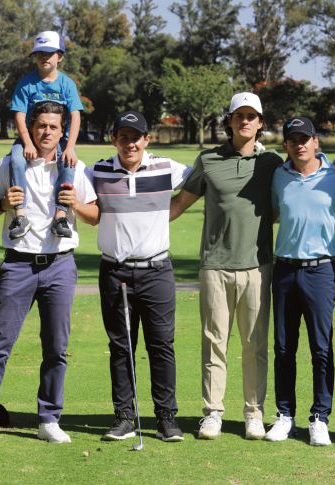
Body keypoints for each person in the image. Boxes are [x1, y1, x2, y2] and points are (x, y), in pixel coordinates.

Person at [0, 100, 97, 449]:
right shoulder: (11, 163)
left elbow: (95, 214)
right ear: (31, 129)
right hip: (18, 264)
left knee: (56, 348)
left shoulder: (74, 167)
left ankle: (49, 419)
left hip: (60, 265)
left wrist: (76, 204)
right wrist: (4, 205)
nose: (47, 131)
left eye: (53, 126)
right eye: (41, 126)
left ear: (63, 129)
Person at [169, 92, 283, 440]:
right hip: (215, 266)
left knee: (254, 344)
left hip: (257, 266)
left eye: (251, 116)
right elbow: (179, 204)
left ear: (260, 123)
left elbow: (305, 172)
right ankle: (213, 413)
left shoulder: (273, 164)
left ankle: (253, 413)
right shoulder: (208, 161)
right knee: (214, 342)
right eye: (239, 116)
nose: (245, 121)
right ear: (230, 121)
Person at [82, 110, 192, 443]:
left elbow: (201, 179)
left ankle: (166, 417)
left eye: (136, 137)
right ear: (114, 138)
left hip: (157, 270)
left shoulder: (167, 168)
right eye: (123, 136)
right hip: (115, 271)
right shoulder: (97, 171)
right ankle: (125, 417)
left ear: (147, 139)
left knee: (161, 346)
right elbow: (88, 211)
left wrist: (172, 210)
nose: (130, 143)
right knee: (121, 347)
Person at [264, 116, 335, 446]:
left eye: (305, 138)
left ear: (316, 142)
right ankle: (284, 415)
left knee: (321, 347)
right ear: (286, 145)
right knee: (284, 347)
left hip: (321, 271)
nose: (299, 144)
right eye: (293, 139)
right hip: (285, 271)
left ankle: (320, 416)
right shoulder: (279, 177)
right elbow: (272, 212)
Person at [8, 30, 84, 241]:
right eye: (40, 52)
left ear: (59, 56)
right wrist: (27, 143)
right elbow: (20, 115)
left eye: (49, 53)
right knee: (15, 159)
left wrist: (69, 146)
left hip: (59, 140)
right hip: (29, 138)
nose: (44, 57)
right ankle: (20, 216)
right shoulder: (26, 83)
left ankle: (60, 217)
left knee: (69, 163)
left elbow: (75, 117)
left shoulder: (67, 84)